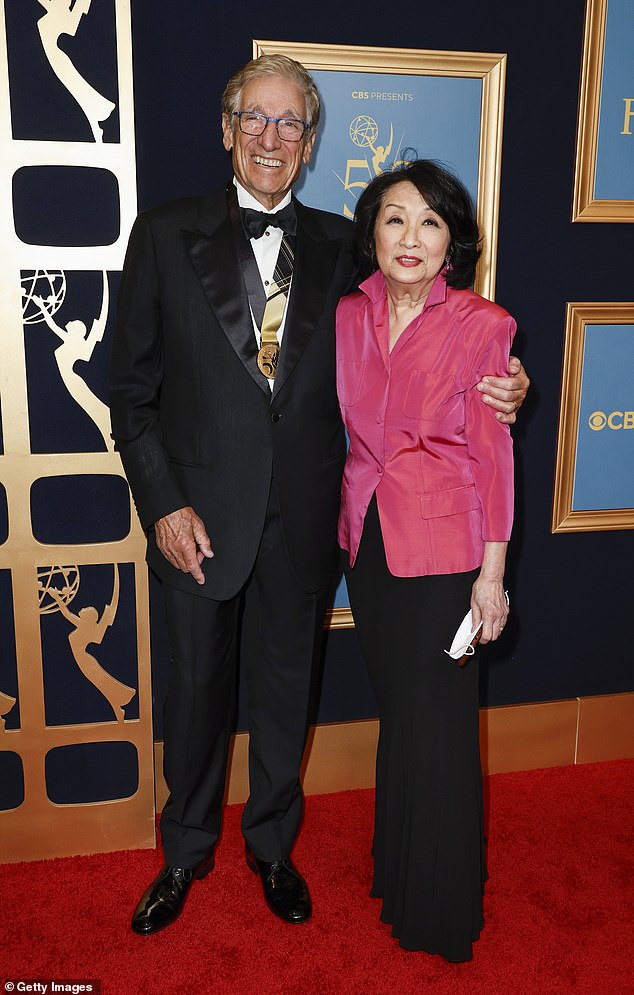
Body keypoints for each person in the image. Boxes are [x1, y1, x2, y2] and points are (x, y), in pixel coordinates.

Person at [109, 56, 529, 937]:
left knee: (283, 694)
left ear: (309, 140)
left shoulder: (346, 242)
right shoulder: (161, 233)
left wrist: (507, 381)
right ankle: (183, 852)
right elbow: (131, 393)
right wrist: (163, 506)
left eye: (290, 123)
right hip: (196, 521)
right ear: (227, 129)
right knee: (194, 692)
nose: (271, 138)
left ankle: (271, 844)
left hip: (305, 520)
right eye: (254, 120)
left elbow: (426, 321)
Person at [336, 160, 516, 962]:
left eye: (431, 221)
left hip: (449, 553)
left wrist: (492, 575)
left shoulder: (483, 325)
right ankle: (398, 868)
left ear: (453, 241)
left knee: (441, 728)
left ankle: (440, 910)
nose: (411, 237)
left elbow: (494, 458)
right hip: (368, 543)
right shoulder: (347, 313)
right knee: (404, 715)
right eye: (395, 218)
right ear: (372, 230)